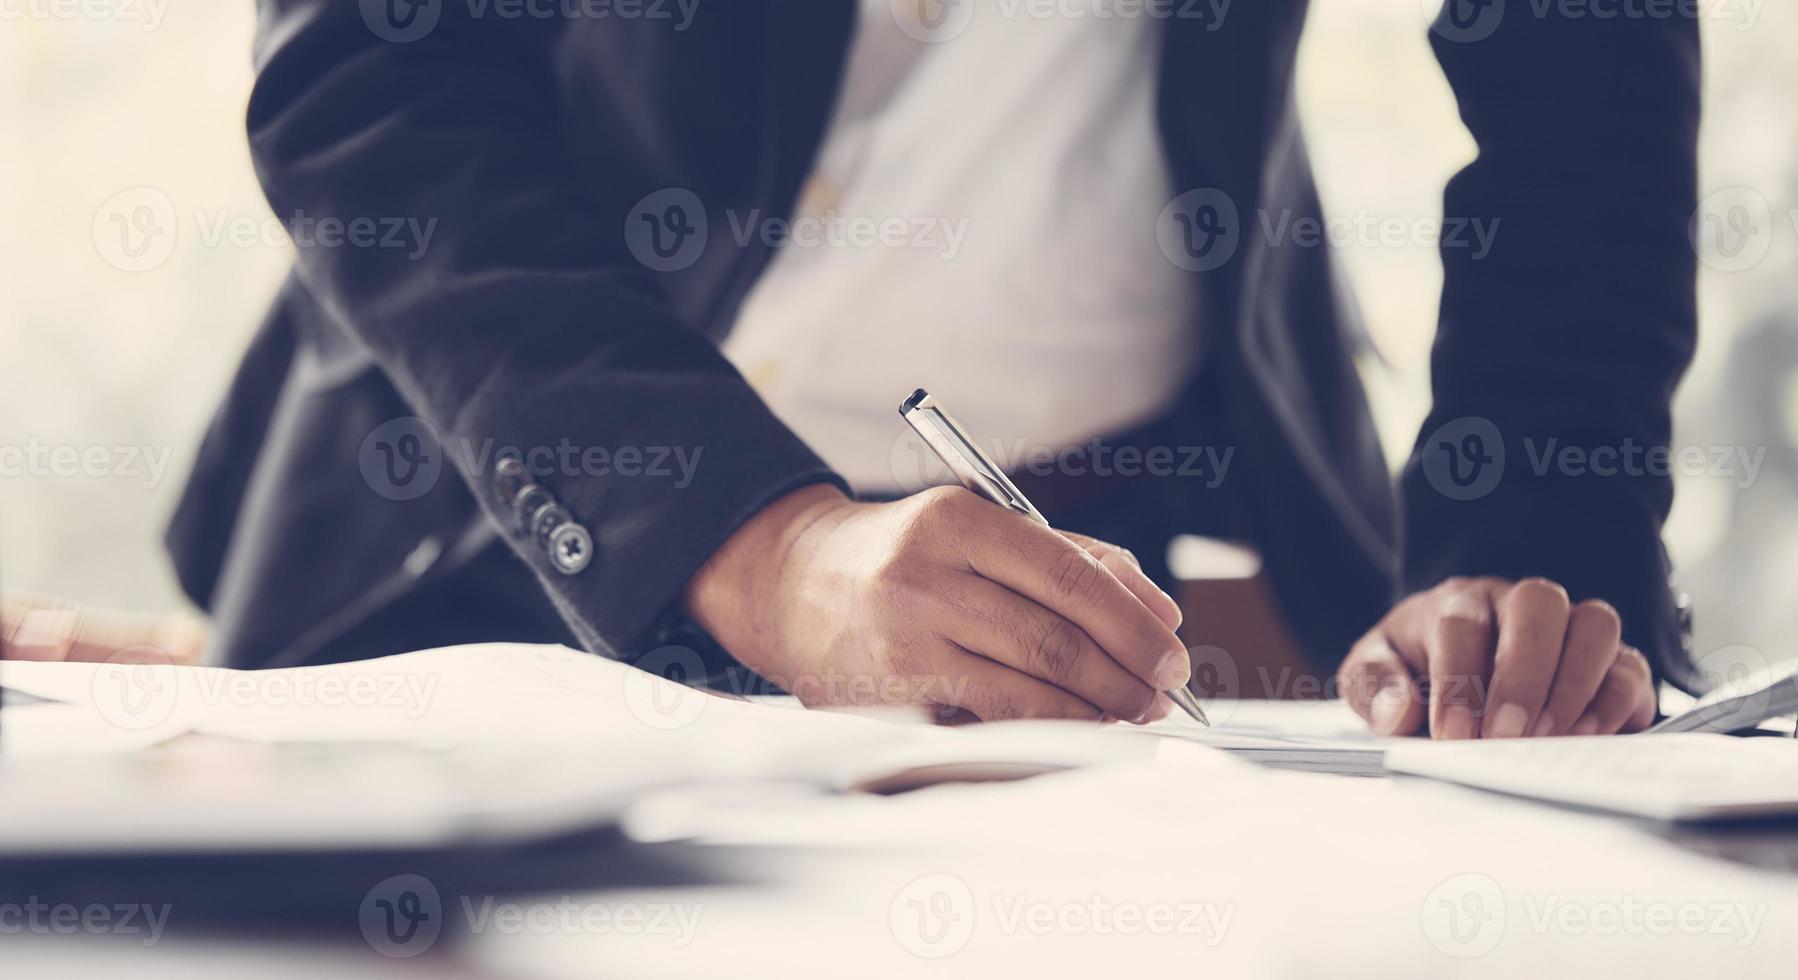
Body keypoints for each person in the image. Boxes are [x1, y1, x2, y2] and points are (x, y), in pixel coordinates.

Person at [166, 0, 1696, 737]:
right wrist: (754, 544)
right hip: (506, 496)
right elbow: (367, 70)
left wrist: (1528, 554)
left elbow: (1585, 64)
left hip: (1107, 557)